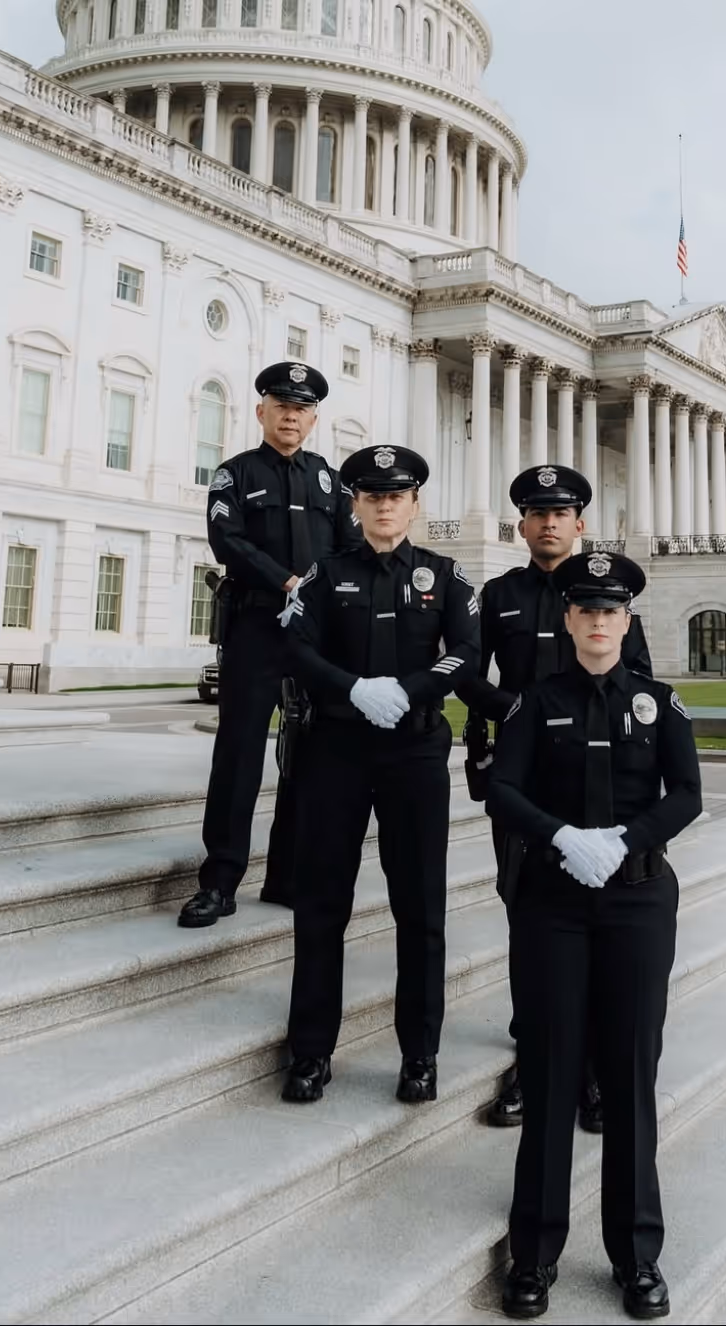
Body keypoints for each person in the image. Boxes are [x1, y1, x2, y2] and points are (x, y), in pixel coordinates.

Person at [486, 551, 702, 1321]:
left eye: (612, 611)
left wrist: (626, 837)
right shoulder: (534, 703)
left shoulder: (659, 703)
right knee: (548, 1072)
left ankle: (637, 1257)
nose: (600, 621)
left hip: (638, 900)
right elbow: (502, 789)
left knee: (631, 1076)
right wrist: (559, 838)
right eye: (587, 610)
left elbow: (688, 795)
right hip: (554, 903)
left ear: (627, 621)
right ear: (568, 619)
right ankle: (535, 1253)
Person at [278, 444, 481, 1105]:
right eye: (371, 495)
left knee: (419, 909)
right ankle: (310, 1052)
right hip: (336, 749)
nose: (384, 505)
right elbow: (296, 648)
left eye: (396, 496)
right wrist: (354, 688)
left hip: (415, 754)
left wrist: (414, 689)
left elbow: (469, 653)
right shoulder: (322, 574)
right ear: (354, 504)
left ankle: (419, 1054)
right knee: (321, 906)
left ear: (415, 505)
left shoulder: (445, 577)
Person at [178, 362, 361, 928]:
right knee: (238, 755)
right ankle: (221, 880)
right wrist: (287, 581)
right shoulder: (233, 474)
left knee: (307, 759)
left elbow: (349, 549)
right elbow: (225, 541)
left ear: (313, 419)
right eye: (281, 405)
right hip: (256, 630)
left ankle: (286, 876)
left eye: (301, 408)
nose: (291, 415)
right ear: (261, 412)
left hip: (312, 636)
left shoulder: (331, 482)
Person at [456, 465, 608, 1133]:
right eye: (537, 511)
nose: (549, 521)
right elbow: (466, 671)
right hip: (521, 782)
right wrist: (513, 709)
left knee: (597, 916)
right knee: (527, 914)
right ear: (520, 524)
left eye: (562, 511)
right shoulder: (498, 594)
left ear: (580, 523)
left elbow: (637, 678)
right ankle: (536, 1051)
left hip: (590, 779)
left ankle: (594, 1066)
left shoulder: (603, 590)